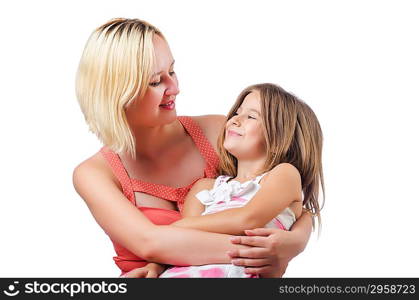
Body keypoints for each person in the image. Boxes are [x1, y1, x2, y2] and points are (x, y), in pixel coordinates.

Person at [73, 18, 314, 278]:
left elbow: (285, 198)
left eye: (172, 72)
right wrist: (263, 251)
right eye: (156, 82)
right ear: (116, 92)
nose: (175, 88)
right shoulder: (95, 174)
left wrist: (296, 241)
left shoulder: (218, 133)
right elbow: (151, 243)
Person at [130, 83, 324, 278]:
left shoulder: (284, 174)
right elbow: (182, 243)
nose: (234, 120)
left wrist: (173, 229)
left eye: (251, 116)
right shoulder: (205, 187)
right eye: (237, 113)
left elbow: (247, 219)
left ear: (281, 137)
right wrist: (156, 267)